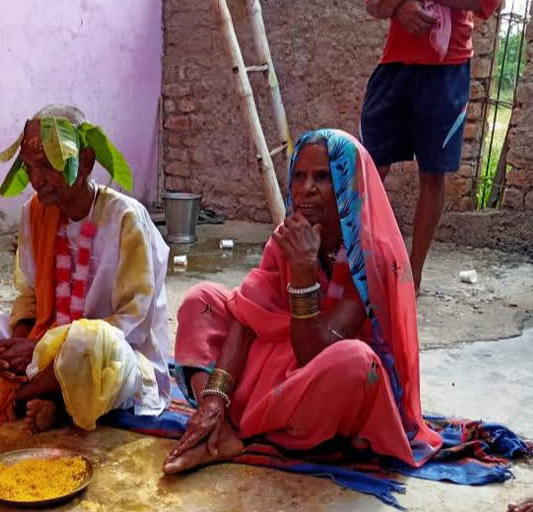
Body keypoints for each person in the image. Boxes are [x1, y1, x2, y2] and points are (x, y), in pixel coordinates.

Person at [164, 129, 443, 474]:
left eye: (322, 176)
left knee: (357, 363)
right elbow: (245, 317)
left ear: (348, 183)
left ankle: (245, 425)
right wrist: (213, 400)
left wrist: (304, 275)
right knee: (201, 301)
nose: (306, 188)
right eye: (299, 175)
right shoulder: (287, 237)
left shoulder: (370, 259)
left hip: (320, 371)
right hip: (278, 357)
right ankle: (217, 426)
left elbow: (315, 352)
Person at [0, 105, 171, 432]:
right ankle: (50, 396)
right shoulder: (34, 211)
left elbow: (132, 325)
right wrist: (19, 344)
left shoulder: (126, 219)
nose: (36, 180)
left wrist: (42, 348)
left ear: (85, 161)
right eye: (29, 167)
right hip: (39, 351)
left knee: (90, 342)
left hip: (110, 363)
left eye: (48, 165)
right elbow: (28, 294)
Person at [361, 0, 501, 294]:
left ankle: (412, 276)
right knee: (368, 167)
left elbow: (488, 3)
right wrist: (399, 7)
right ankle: (349, 260)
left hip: (447, 68)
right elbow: (373, 5)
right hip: (394, 65)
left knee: (433, 173)